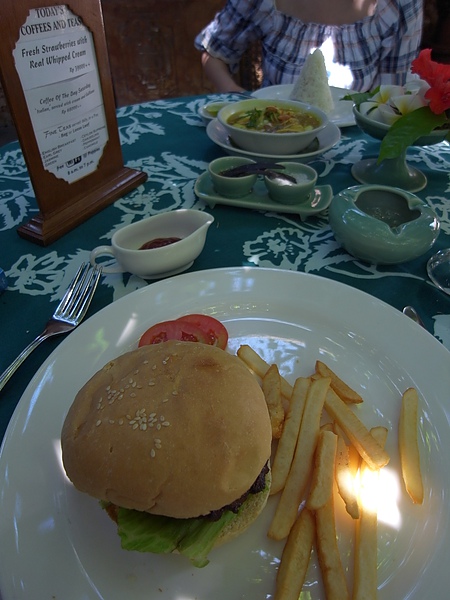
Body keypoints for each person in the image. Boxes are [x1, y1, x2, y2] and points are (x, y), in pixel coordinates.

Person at [194, 0, 424, 93]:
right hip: (275, 142)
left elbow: (391, 93)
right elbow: (215, 50)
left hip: (356, 150)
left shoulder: (400, 4)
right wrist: (240, 101)